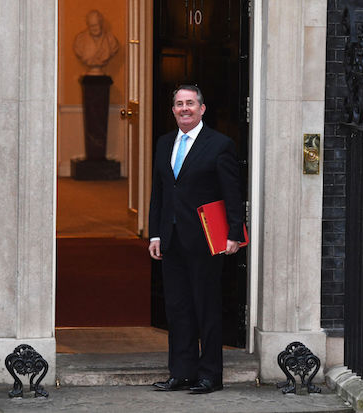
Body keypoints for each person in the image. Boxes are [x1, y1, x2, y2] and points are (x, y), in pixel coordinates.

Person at [148, 85, 245, 394]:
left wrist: (234, 232)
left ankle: (210, 375)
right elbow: (159, 192)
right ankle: (181, 373)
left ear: (202, 109)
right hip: (172, 239)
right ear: (173, 110)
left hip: (206, 240)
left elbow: (232, 192)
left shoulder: (220, 145)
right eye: (179, 104)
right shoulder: (164, 143)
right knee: (177, 309)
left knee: (206, 308)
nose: (184, 108)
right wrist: (155, 233)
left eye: (190, 103)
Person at [73, 10, 119, 76]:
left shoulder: (111, 40)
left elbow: (114, 49)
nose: (94, 28)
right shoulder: (80, 40)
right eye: (91, 26)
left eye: (96, 25)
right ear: (88, 26)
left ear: (101, 24)